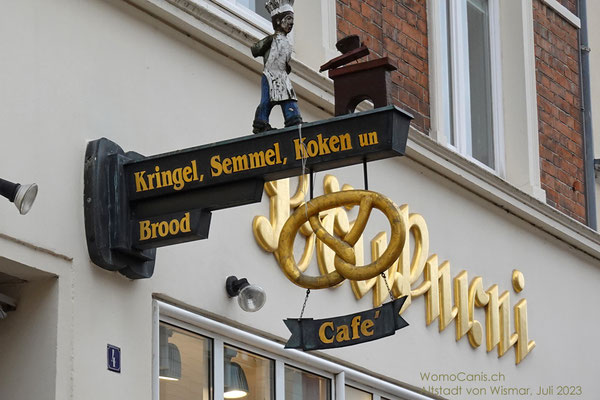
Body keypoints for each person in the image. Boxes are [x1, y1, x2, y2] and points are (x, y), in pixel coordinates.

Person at [251, 0, 302, 134]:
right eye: (288, 18)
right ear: (279, 21)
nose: (292, 23)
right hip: (270, 74)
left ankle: (293, 119)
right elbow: (255, 50)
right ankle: (260, 123)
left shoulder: (288, 43)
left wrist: (286, 67)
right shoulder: (271, 39)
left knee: (289, 98)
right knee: (267, 101)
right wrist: (263, 45)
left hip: (282, 75)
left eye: (292, 19)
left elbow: (283, 59)